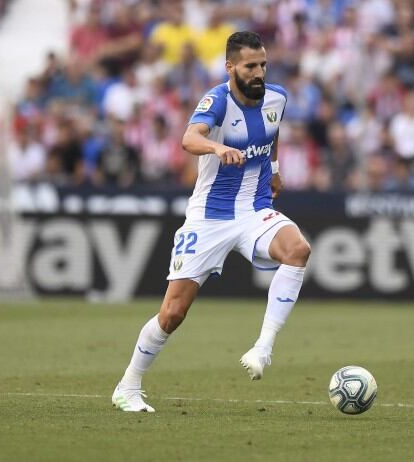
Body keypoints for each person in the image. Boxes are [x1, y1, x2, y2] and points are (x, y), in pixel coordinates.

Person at [112, 31, 311, 412]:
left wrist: (273, 169)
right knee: (172, 313)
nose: (259, 73)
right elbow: (189, 138)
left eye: (263, 65)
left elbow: (273, 133)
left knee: (298, 249)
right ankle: (128, 385)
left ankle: (263, 347)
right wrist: (217, 147)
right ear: (230, 67)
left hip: (254, 209)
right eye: (250, 66)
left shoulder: (277, 98)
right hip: (209, 217)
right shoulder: (217, 101)